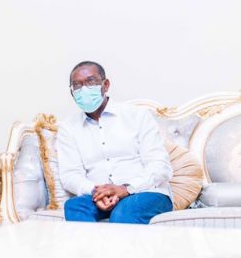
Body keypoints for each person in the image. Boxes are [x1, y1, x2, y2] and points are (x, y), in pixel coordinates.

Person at [56, 61, 173, 224]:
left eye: (90, 81)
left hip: (145, 192)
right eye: (77, 85)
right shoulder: (68, 128)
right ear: (72, 92)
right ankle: (89, 244)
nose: (84, 89)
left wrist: (125, 189)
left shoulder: (137, 116)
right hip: (98, 196)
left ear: (105, 85)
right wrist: (98, 193)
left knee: (123, 212)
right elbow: (70, 175)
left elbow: (159, 166)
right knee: (74, 206)